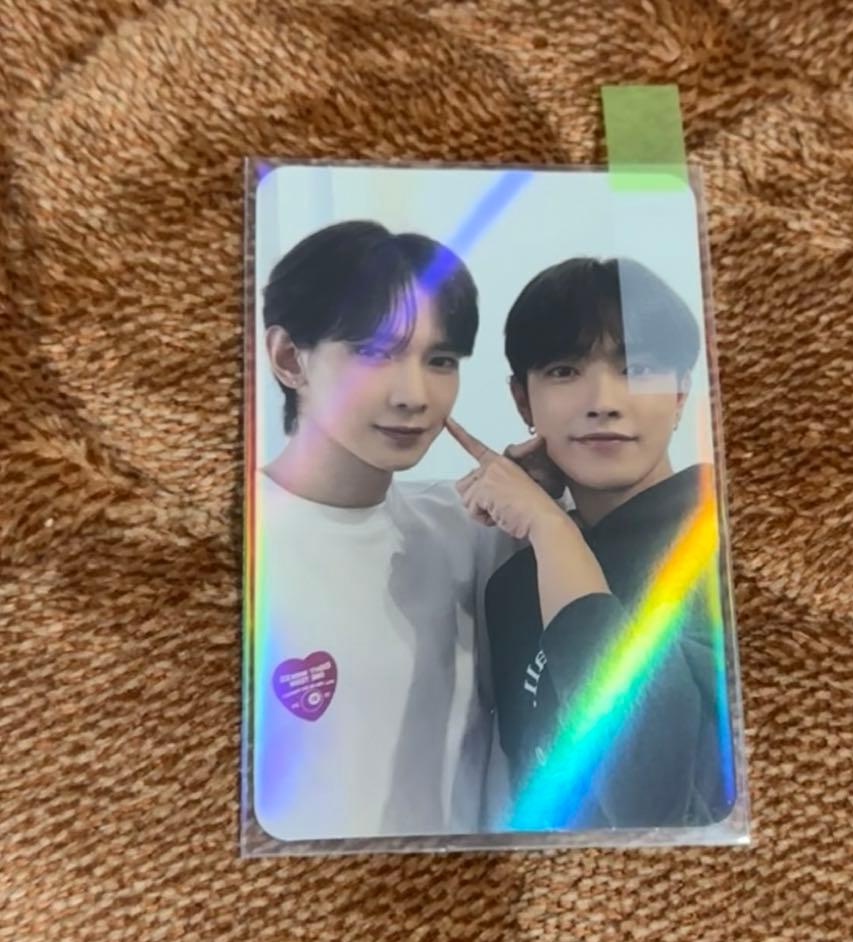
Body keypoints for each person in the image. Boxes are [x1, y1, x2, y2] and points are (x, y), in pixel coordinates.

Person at [252, 220, 522, 842]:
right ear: (289, 358)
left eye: (441, 360)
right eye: (375, 352)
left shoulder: (468, 527)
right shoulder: (234, 548)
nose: (414, 395)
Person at [448, 256, 733, 830]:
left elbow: (653, 800)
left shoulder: (722, 536)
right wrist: (553, 530)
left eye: (638, 368)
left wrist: (553, 531)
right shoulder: (511, 589)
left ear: (681, 393)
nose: (603, 401)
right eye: (564, 370)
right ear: (523, 401)